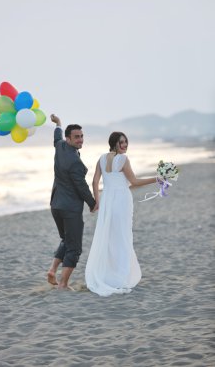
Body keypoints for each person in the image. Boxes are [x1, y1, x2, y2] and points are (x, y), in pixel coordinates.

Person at [85, 131, 158, 297]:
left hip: (107, 200)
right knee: (123, 235)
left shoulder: (101, 159)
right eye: (121, 142)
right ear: (114, 143)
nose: (124, 145)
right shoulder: (123, 159)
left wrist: (97, 201)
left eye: (126, 142)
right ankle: (121, 275)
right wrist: (157, 179)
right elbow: (135, 182)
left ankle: (108, 273)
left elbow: (95, 181)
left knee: (110, 236)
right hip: (122, 200)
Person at [47, 114, 97, 290]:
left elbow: (56, 137)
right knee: (74, 248)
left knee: (66, 239)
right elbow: (81, 186)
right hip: (70, 209)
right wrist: (92, 203)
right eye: (77, 137)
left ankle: (53, 270)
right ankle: (63, 284)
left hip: (56, 206)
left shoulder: (60, 146)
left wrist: (58, 123)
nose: (80, 140)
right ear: (69, 139)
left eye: (82, 136)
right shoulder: (75, 161)